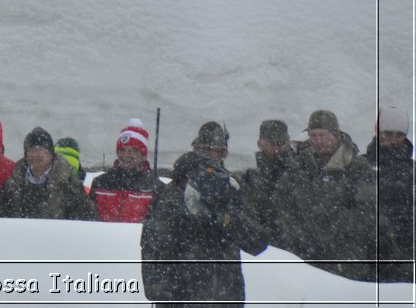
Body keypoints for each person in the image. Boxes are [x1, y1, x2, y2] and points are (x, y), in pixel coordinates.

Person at [140, 120, 266, 307]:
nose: (206, 156)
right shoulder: (173, 191)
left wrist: (225, 218)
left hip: (223, 298)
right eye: (202, 150)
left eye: (212, 150)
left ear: (223, 154)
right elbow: (154, 245)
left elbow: (257, 242)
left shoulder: (232, 191)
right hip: (181, 299)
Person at [273, 108, 377, 279]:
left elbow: (368, 210)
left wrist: (335, 230)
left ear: (335, 135)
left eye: (322, 135)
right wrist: (297, 235)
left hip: (346, 258)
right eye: (313, 135)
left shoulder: (356, 167)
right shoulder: (298, 167)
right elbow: (283, 204)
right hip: (304, 256)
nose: (318, 140)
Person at [0, 127, 96, 220]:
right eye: (31, 150)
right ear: (26, 155)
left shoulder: (69, 184)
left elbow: (86, 219)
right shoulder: (12, 184)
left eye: (41, 150)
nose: (35, 154)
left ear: (51, 155)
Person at [367, 106, 413, 283]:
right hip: (362, 259)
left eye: (398, 134)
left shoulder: (412, 171)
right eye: (387, 133)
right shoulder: (360, 167)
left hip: (403, 260)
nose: (393, 140)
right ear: (378, 132)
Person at [239, 118, 295, 246]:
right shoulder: (251, 176)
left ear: (288, 143)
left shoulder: (298, 171)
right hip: (264, 245)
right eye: (270, 143)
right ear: (260, 144)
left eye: (279, 143)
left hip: (294, 247)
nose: (274, 147)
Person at [91, 120, 158, 223]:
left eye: (134, 150)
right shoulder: (100, 183)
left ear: (143, 155)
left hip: (135, 239)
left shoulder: (154, 187)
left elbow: (158, 226)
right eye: (122, 150)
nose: (126, 155)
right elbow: (88, 218)